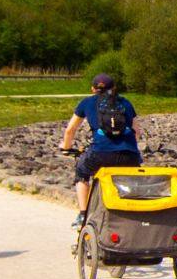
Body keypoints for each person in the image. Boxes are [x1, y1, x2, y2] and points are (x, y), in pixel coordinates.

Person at [61, 72, 142, 224]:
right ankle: (133, 212)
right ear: (115, 88)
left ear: (93, 89)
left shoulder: (86, 103)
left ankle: (83, 215)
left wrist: (66, 148)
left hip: (100, 153)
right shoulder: (125, 103)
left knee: (81, 171)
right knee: (130, 177)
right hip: (128, 154)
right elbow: (137, 131)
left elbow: (70, 130)